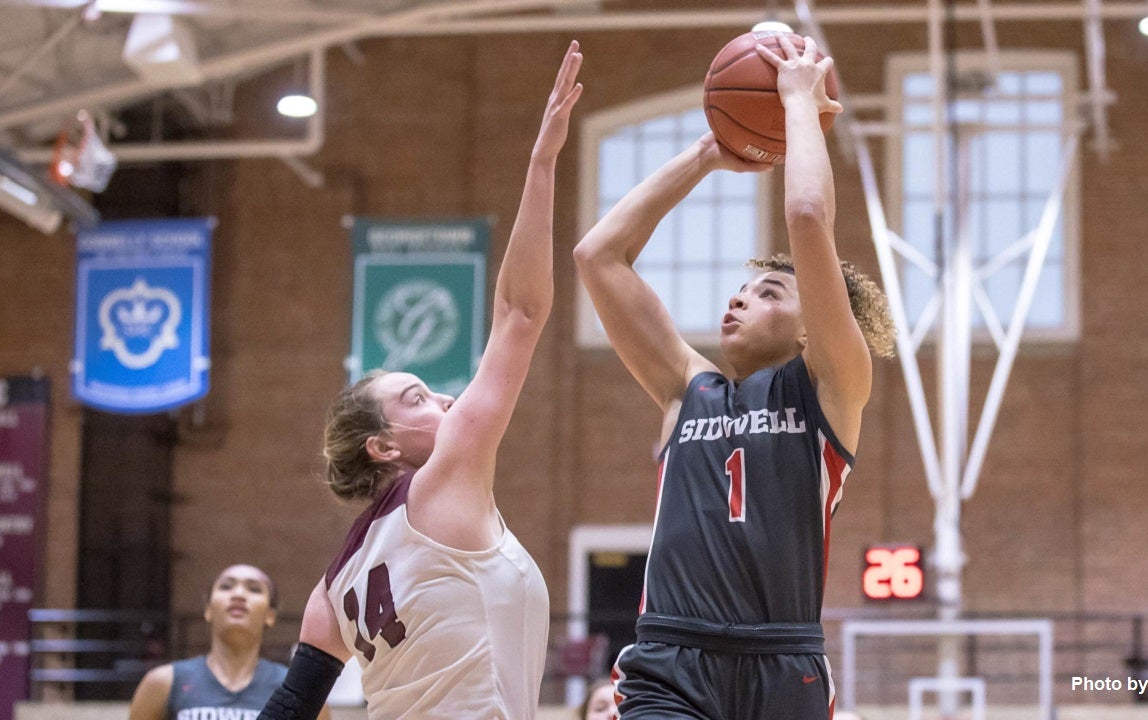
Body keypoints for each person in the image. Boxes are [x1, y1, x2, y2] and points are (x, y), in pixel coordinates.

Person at [255, 41, 584, 720]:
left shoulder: (335, 583)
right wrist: (543, 162)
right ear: (382, 446)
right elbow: (520, 312)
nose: (448, 401)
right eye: (419, 398)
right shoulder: (441, 483)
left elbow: (292, 705)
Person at [573, 32, 894, 720]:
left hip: (782, 663)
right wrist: (705, 156)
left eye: (771, 291)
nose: (742, 298)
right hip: (670, 660)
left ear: (813, 328)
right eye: (743, 291)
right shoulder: (685, 389)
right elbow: (598, 255)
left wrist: (799, 103)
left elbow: (807, 217)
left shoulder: (830, 387)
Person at [128, 564, 330, 720]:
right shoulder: (163, 682)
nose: (238, 594)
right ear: (208, 610)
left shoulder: (298, 689)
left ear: (270, 615)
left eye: (254, 589)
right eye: (226, 586)